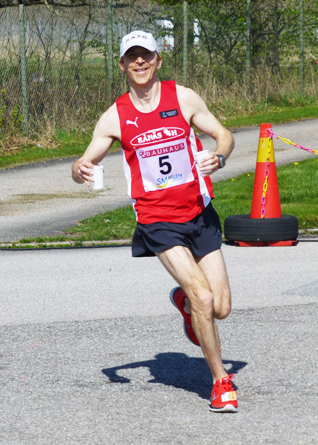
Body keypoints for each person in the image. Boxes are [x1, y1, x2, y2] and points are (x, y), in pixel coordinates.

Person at [72, 30, 237, 413]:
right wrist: (78, 169)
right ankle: (220, 381)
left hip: (199, 212)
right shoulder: (115, 115)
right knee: (204, 297)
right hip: (157, 220)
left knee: (221, 307)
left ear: (158, 59)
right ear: (122, 65)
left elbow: (223, 134)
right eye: (132, 57)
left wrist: (220, 155)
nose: (140, 62)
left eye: (146, 55)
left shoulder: (183, 98)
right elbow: (84, 161)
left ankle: (183, 303)